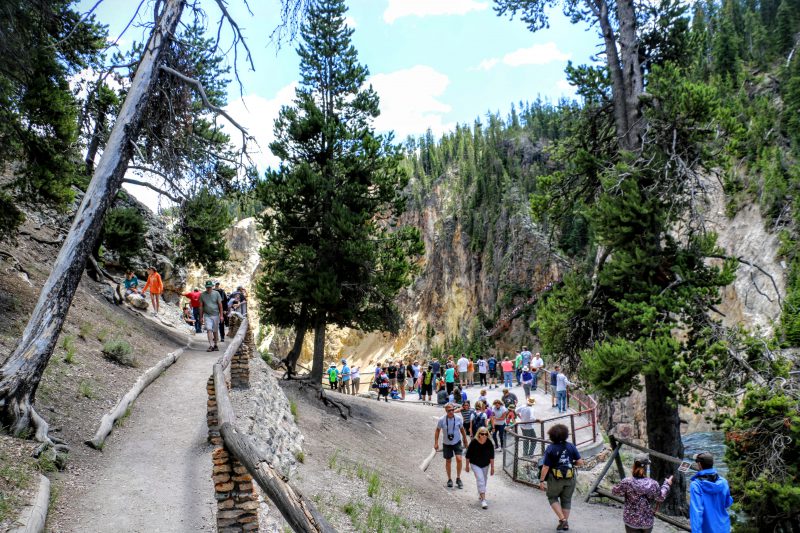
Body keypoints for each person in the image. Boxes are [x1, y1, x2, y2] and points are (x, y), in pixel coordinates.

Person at [539, 423, 585, 531]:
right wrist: (571, 464)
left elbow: (545, 466)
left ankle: (563, 520)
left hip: (555, 478)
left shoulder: (550, 448)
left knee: (552, 497)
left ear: (552, 435)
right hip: (570, 477)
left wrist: (541, 480)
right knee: (567, 500)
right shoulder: (571, 446)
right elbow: (580, 462)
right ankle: (565, 523)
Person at [612, 454, 673, 533]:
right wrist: (667, 484)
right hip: (647, 521)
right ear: (646, 467)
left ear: (634, 465)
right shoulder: (653, 483)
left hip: (631, 521)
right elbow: (660, 497)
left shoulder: (626, 482)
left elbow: (615, 492)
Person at [690, 452, 733, 533]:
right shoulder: (723, 482)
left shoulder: (696, 485)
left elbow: (696, 512)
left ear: (699, 464)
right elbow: (727, 503)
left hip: (707, 529)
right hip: (724, 528)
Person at [433, 403, 468, 489]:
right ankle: (449, 479)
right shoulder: (442, 420)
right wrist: (436, 442)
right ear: (446, 411)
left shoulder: (458, 419)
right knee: (448, 461)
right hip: (447, 443)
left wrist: (465, 439)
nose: (451, 412)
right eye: (449, 411)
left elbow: (462, 429)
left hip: (457, 442)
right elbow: (437, 430)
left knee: (459, 459)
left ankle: (458, 478)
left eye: (452, 410)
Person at [465, 426, 495, 509]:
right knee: (480, 479)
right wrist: (467, 466)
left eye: (486, 434)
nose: (484, 435)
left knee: (484, 479)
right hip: (475, 463)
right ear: (479, 434)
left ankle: (481, 493)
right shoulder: (474, 442)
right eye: (482, 434)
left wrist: (492, 468)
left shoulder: (489, 443)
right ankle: (483, 500)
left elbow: (492, 457)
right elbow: (468, 455)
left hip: (485, 464)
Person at [199, 280, 223, 351]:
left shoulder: (217, 293)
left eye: (210, 287)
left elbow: (220, 305)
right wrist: (201, 317)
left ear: (212, 287)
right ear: (205, 287)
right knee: (209, 329)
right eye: (207, 287)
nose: (208, 288)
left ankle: (215, 344)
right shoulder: (202, 295)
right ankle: (211, 345)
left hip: (215, 314)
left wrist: (221, 316)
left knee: (215, 331)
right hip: (207, 315)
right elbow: (201, 307)